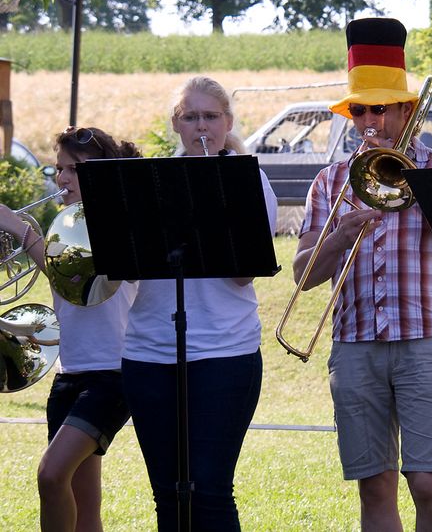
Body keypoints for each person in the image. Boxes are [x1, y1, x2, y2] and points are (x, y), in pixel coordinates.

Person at [294, 17, 432, 531]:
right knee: (375, 486)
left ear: (407, 110)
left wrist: (417, 185)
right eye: (359, 109)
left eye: (381, 108)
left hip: (424, 340)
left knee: (428, 481)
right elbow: (303, 275)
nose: (369, 120)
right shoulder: (330, 181)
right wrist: (341, 233)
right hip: (355, 344)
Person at [120, 76, 277, 530]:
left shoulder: (249, 178)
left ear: (227, 122)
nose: (201, 127)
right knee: (167, 495)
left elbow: (242, 272)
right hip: (149, 352)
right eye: (191, 117)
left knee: (209, 490)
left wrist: (217, 198)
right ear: (176, 123)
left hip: (224, 353)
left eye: (211, 117)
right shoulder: (147, 181)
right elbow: (129, 268)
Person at [0, 126, 140, 532]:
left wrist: (22, 232)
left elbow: (75, 279)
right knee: (85, 510)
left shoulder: (119, 226)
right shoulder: (65, 225)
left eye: (74, 170)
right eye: (59, 169)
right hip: (70, 374)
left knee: (50, 475)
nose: (62, 179)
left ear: (101, 173)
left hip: (113, 375)